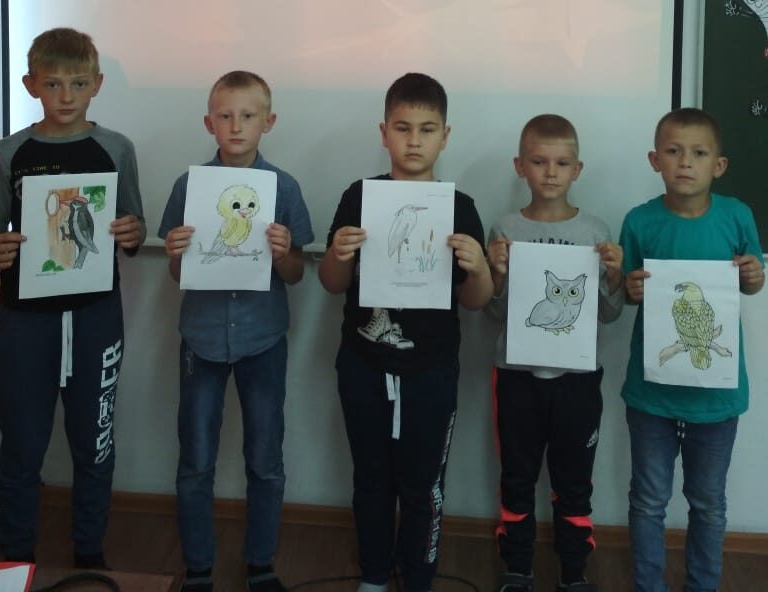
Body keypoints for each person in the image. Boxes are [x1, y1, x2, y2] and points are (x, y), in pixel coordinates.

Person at [319, 72, 492, 592]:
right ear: (384, 133)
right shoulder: (360, 197)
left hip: (430, 370)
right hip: (364, 364)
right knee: (371, 478)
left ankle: (418, 577)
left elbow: (475, 300)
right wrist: (338, 254)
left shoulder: (460, 207)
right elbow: (331, 284)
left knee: (423, 484)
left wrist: (479, 267)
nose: (414, 140)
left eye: (427, 129)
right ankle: (374, 575)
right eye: (402, 128)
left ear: (445, 136)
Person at [0, 27, 145, 568]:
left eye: (78, 84)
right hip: (24, 321)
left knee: (94, 441)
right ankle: (14, 559)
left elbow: (133, 228)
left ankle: (89, 553)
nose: (66, 96)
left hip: (96, 317)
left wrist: (132, 232)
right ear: (30, 85)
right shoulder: (8, 153)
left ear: (96, 84)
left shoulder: (116, 148)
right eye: (53, 84)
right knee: (21, 445)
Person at [160, 70, 314, 592]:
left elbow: (296, 274)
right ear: (209, 123)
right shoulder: (189, 186)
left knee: (265, 459)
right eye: (224, 116)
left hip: (262, 338)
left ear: (268, 122)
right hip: (202, 338)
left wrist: (283, 252)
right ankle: (198, 566)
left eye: (247, 116)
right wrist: (176, 253)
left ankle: (261, 563)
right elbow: (178, 273)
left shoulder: (283, 188)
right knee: (195, 458)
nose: (236, 126)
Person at [621, 107, 765, 592]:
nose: (686, 162)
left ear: (718, 165)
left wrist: (753, 275)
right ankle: (648, 585)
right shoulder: (639, 221)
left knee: (708, 502)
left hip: (716, 398)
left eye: (699, 153)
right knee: (648, 500)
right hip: (651, 395)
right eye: (674, 151)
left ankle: (703, 585)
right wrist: (630, 288)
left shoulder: (737, 216)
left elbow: (751, 282)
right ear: (654, 159)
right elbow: (626, 290)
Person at [486, 114, 624, 592]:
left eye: (562, 163)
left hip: (578, 381)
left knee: (575, 481)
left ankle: (573, 572)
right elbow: (492, 312)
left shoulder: (595, 231)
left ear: (577, 169)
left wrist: (614, 277)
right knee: (517, 476)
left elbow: (609, 315)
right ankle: (517, 569)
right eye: (539, 161)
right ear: (520, 166)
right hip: (516, 376)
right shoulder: (504, 229)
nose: (550, 172)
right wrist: (496, 273)